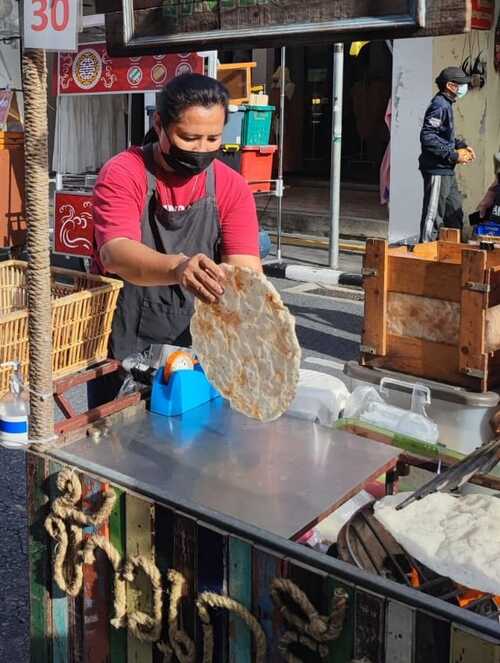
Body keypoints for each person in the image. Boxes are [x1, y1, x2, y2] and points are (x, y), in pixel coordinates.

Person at [89, 74, 261, 406]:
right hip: (124, 339)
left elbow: (246, 272)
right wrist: (179, 267)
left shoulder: (231, 186)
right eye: (189, 137)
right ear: (159, 124)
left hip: (197, 343)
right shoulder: (125, 171)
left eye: (213, 138)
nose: (202, 149)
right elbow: (115, 252)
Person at [419, 66, 475, 242]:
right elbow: (428, 137)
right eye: (462, 84)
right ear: (450, 86)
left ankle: (450, 253)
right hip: (437, 170)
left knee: (454, 214)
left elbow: (445, 136)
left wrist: (463, 146)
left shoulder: (447, 105)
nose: (464, 88)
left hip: (447, 170)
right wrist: (454, 155)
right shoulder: (439, 105)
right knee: (433, 216)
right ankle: (424, 253)